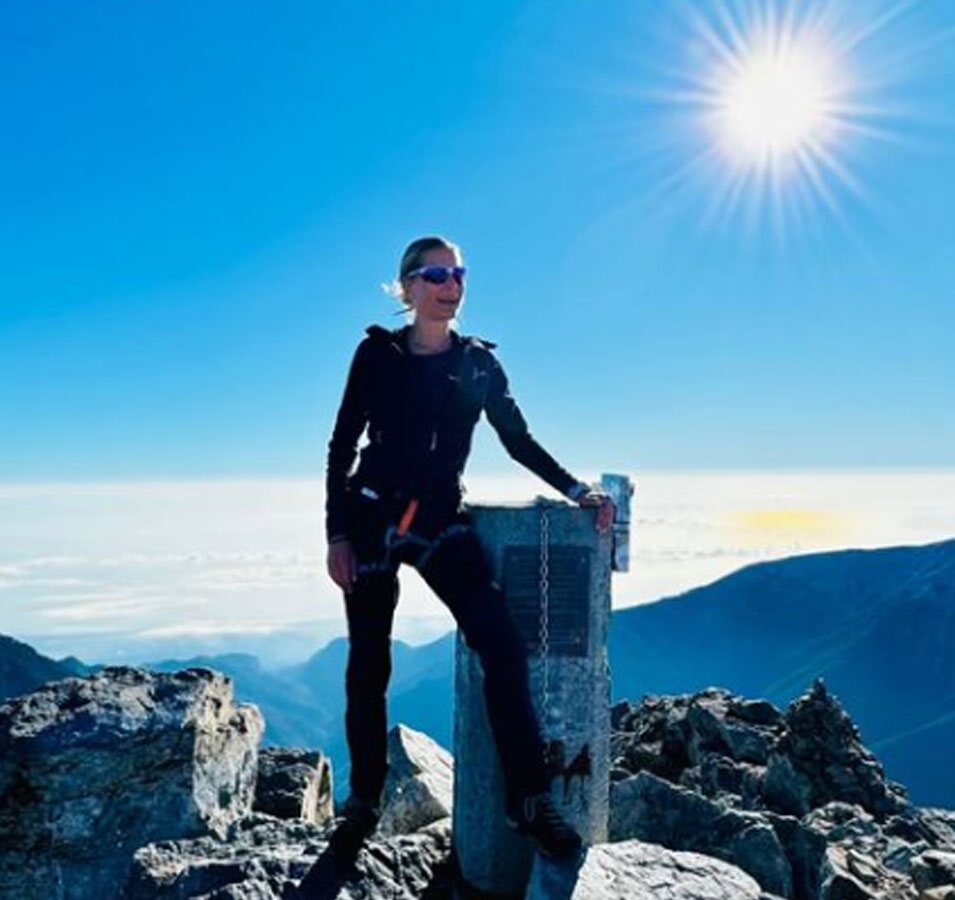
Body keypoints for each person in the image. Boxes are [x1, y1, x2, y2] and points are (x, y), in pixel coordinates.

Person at [324, 236, 613, 862]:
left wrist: (574, 488)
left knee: (501, 646)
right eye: (434, 274)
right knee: (368, 665)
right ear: (406, 288)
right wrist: (336, 535)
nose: (449, 284)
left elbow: (517, 439)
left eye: (457, 273)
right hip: (371, 519)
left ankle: (529, 800)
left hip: (437, 522)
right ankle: (364, 803)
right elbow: (341, 445)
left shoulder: (479, 364)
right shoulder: (377, 355)